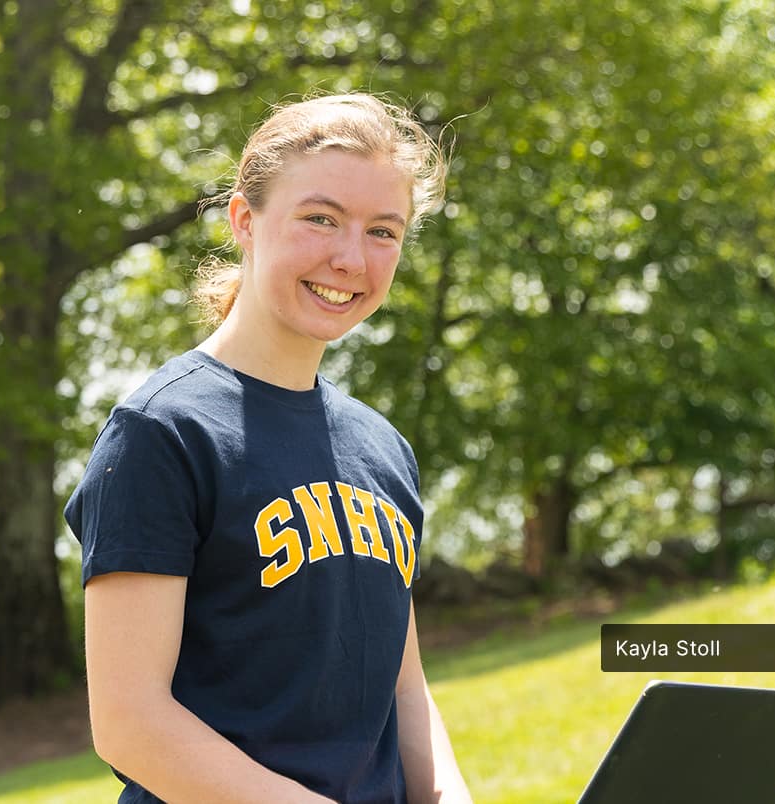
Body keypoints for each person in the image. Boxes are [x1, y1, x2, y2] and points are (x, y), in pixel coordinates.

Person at [64, 92, 472, 803]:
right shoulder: (161, 433)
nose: (351, 257)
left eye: (384, 231)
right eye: (321, 219)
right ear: (245, 220)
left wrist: (449, 797)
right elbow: (130, 723)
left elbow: (403, 690)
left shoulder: (384, 449)